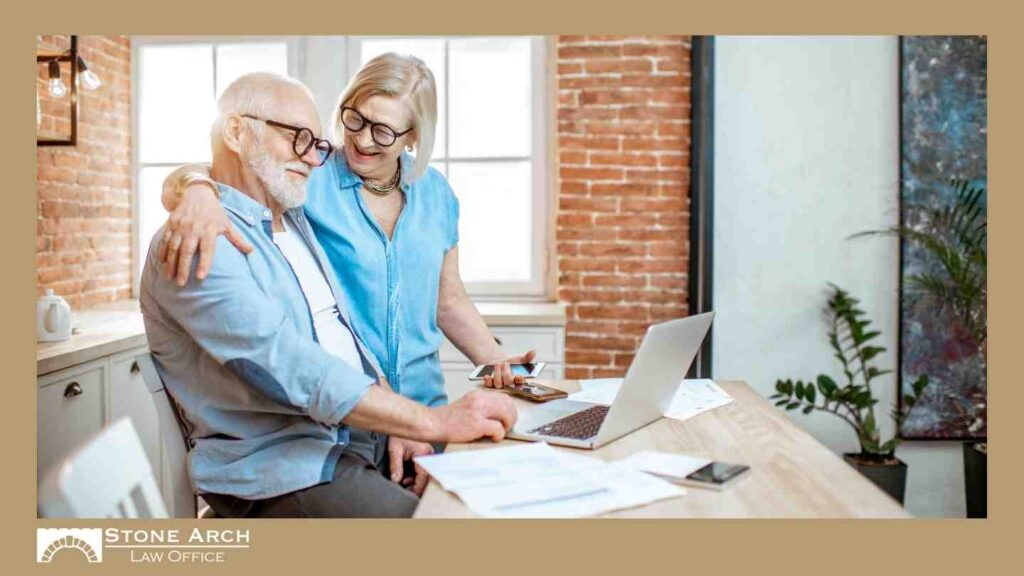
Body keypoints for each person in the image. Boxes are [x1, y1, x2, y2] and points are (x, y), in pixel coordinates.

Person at [140, 72, 517, 518]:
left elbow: (350, 334)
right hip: (288, 461)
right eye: (297, 137)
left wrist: (404, 421)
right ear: (239, 131)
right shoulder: (204, 237)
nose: (314, 157)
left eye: (316, 142)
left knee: (500, 499)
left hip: (364, 432)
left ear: (412, 138)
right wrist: (194, 189)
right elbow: (287, 362)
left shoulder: (291, 217)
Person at [158, 53, 531, 417]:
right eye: (356, 119)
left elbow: (448, 300)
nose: (363, 140)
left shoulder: (436, 194)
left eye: (383, 131)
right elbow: (225, 167)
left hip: (427, 405)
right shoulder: (308, 174)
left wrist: (495, 360)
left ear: (414, 136)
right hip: (348, 412)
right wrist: (196, 190)